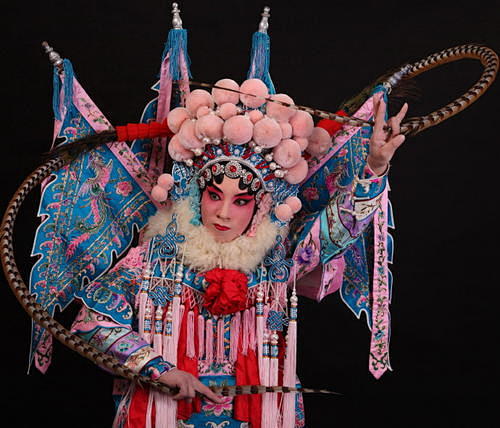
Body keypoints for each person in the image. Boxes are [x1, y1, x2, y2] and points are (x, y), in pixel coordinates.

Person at [65, 80, 407, 427]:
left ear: (260, 207)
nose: (224, 213)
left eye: (241, 201)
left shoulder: (276, 261)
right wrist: (158, 369)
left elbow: (339, 229)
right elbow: (92, 321)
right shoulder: (154, 260)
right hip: (167, 414)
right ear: (197, 195)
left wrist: (375, 167)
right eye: (214, 195)